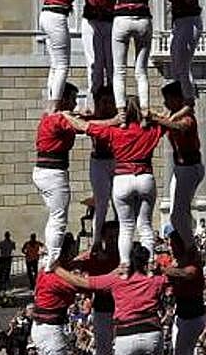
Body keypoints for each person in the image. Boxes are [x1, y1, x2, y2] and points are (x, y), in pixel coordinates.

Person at [64, 98, 167, 268]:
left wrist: (65, 116)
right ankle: (148, 265)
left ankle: (124, 266)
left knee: (126, 227)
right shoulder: (150, 130)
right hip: (145, 176)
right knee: (145, 225)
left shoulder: (114, 131)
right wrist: (152, 116)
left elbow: (84, 127)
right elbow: (168, 120)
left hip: (122, 178)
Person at [87, 0, 194, 109]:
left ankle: (121, 111)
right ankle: (144, 109)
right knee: (141, 71)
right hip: (143, 18)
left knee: (119, 71)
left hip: (121, 17)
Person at [30, 233, 80, 355]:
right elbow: (80, 287)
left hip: (41, 328)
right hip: (50, 329)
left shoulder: (44, 270)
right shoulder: (55, 276)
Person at [149, 81, 203, 251]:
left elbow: (178, 127)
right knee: (178, 213)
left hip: (189, 169)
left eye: (168, 99)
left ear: (178, 99)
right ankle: (182, 239)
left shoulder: (187, 119)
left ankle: (190, 247)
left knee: (177, 217)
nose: (165, 103)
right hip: (180, 168)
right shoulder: (174, 114)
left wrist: (158, 119)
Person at [31, 82, 79, 270]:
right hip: (54, 173)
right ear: (64, 99)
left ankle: (51, 254)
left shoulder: (49, 117)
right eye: (73, 99)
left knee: (54, 216)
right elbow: (84, 127)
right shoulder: (58, 119)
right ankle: (53, 258)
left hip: (44, 171)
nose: (75, 104)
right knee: (59, 217)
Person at [39, 0, 88, 111]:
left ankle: (51, 101)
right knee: (62, 64)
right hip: (56, 16)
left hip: (48, 15)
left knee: (55, 64)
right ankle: (54, 106)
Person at [72, 220, 120, 355]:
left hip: (124, 309)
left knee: (123, 352)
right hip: (102, 309)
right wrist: (91, 252)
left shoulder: (126, 256)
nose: (113, 240)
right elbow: (75, 264)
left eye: (116, 236)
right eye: (110, 236)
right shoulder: (95, 257)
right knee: (103, 352)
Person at [162, 231, 206, 355]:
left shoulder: (192, 261)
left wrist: (165, 270)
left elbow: (187, 274)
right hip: (180, 317)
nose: (171, 248)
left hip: (193, 318)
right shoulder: (176, 262)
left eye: (173, 244)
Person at [164, 0, 202, 102]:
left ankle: (188, 102)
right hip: (178, 23)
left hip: (189, 21)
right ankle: (181, 98)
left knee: (183, 66)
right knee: (176, 66)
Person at [80, 0, 115, 116]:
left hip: (109, 22)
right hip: (92, 21)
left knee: (111, 63)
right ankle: (94, 101)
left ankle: (114, 99)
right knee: (94, 63)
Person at [87, 86, 118, 242]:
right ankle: (97, 240)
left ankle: (120, 237)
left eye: (110, 102)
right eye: (104, 102)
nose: (107, 106)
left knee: (119, 201)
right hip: (99, 162)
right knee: (101, 204)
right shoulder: (93, 119)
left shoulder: (118, 118)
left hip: (115, 161)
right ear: (98, 103)